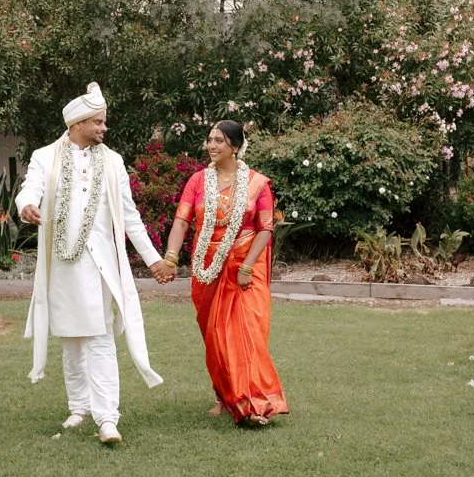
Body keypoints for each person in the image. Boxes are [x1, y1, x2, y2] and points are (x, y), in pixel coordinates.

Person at [17, 82, 176, 444]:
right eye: (98, 122)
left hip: (102, 264)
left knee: (101, 337)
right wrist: (25, 206)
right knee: (71, 338)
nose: (104, 128)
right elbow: (31, 187)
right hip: (63, 264)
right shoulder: (45, 156)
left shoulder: (114, 161)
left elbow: (130, 216)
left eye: (104, 122)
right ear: (77, 124)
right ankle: (79, 407)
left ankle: (107, 418)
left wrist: (152, 260)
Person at [160, 120, 289, 427]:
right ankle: (224, 396)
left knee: (248, 335)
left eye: (219, 140)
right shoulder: (197, 182)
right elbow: (181, 221)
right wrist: (170, 256)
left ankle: (255, 404)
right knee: (215, 336)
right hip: (206, 269)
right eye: (210, 139)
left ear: (235, 146)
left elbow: (265, 229)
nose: (212, 145)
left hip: (246, 268)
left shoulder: (258, 184)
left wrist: (246, 267)